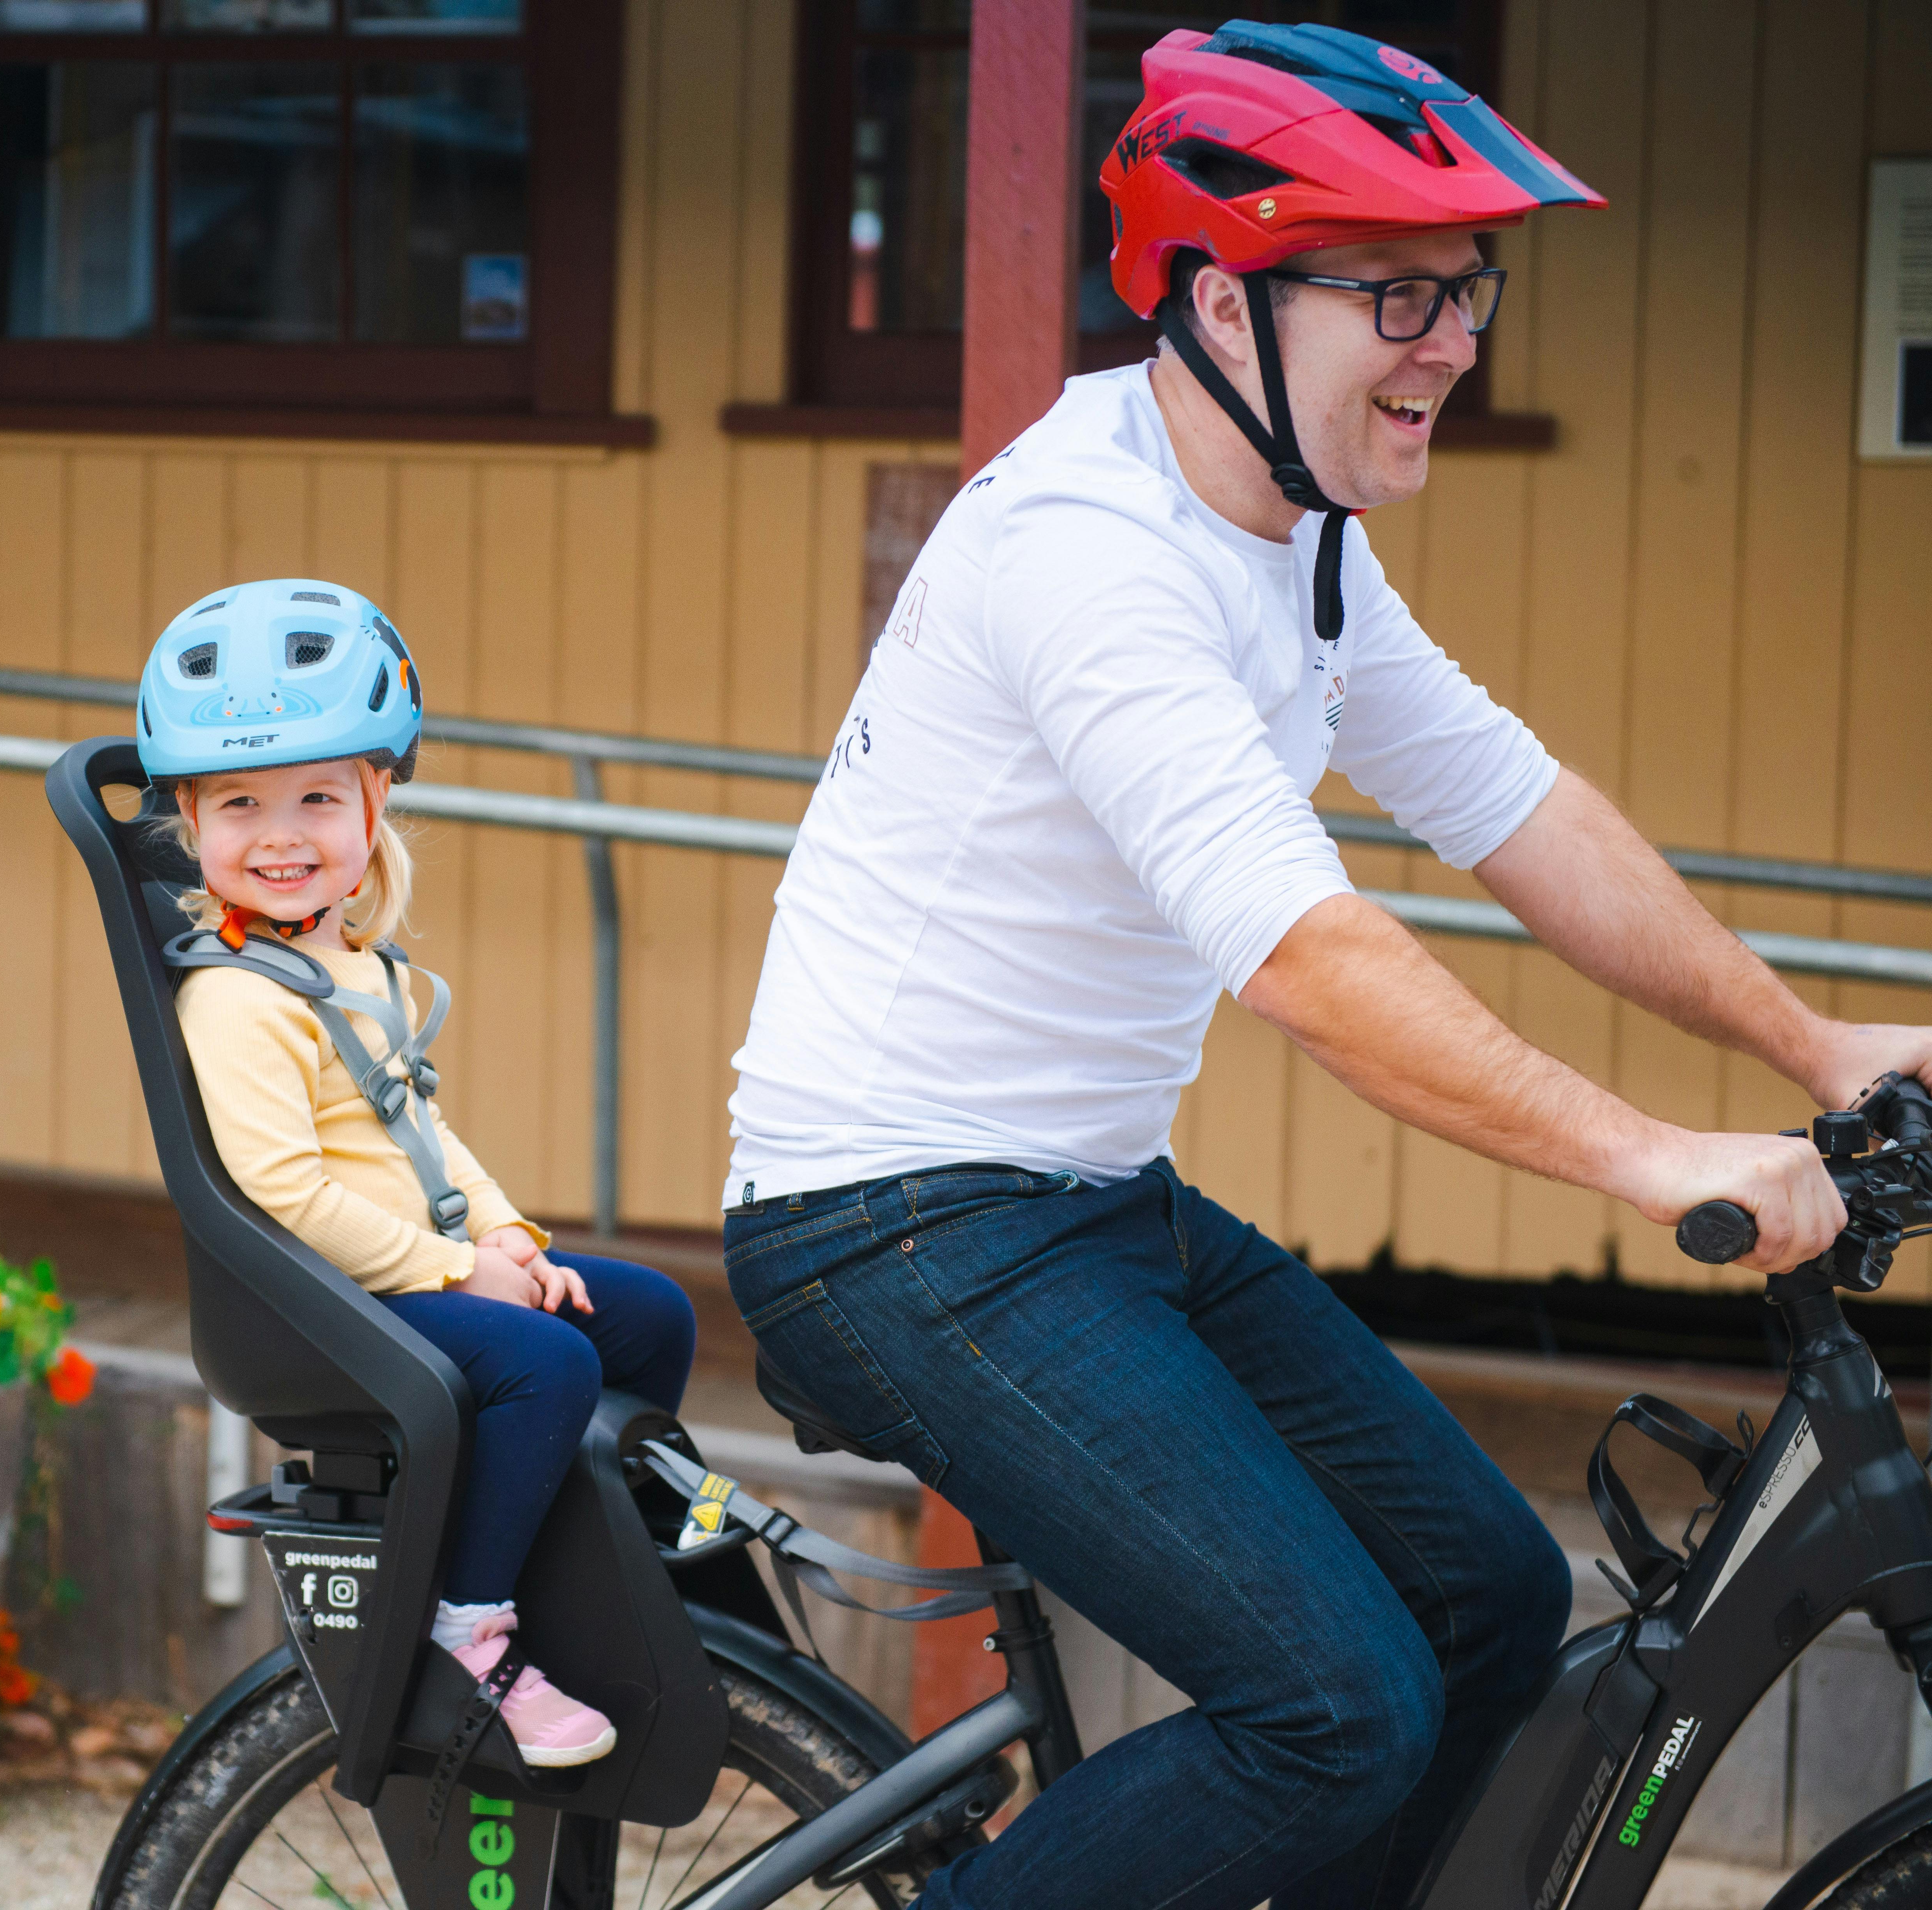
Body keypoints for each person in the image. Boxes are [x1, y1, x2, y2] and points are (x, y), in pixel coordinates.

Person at [722, 22, 1932, 1910]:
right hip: (893, 1228)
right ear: (1220, 304)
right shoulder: (1087, 551)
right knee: (1334, 1705)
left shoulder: (1296, 538)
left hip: (1085, 1201)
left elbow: (1517, 809)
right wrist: (1654, 1158)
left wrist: (1813, 1039)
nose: (1453, 341)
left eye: (1469, 290)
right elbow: (1310, 959)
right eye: (1396, 293)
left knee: (1487, 1594)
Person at [136, 576, 698, 1771]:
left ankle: (606, 1562)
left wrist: (515, 1241)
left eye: (317, 798)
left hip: (406, 1272)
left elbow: (426, 1138)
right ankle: (469, 1629)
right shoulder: (235, 999)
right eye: (241, 803)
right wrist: (462, 1272)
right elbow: (287, 1199)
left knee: (645, 1315)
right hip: (317, 1308)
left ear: (375, 799)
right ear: (191, 820)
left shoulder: (353, 965)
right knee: (543, 1361)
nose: (281, 834)